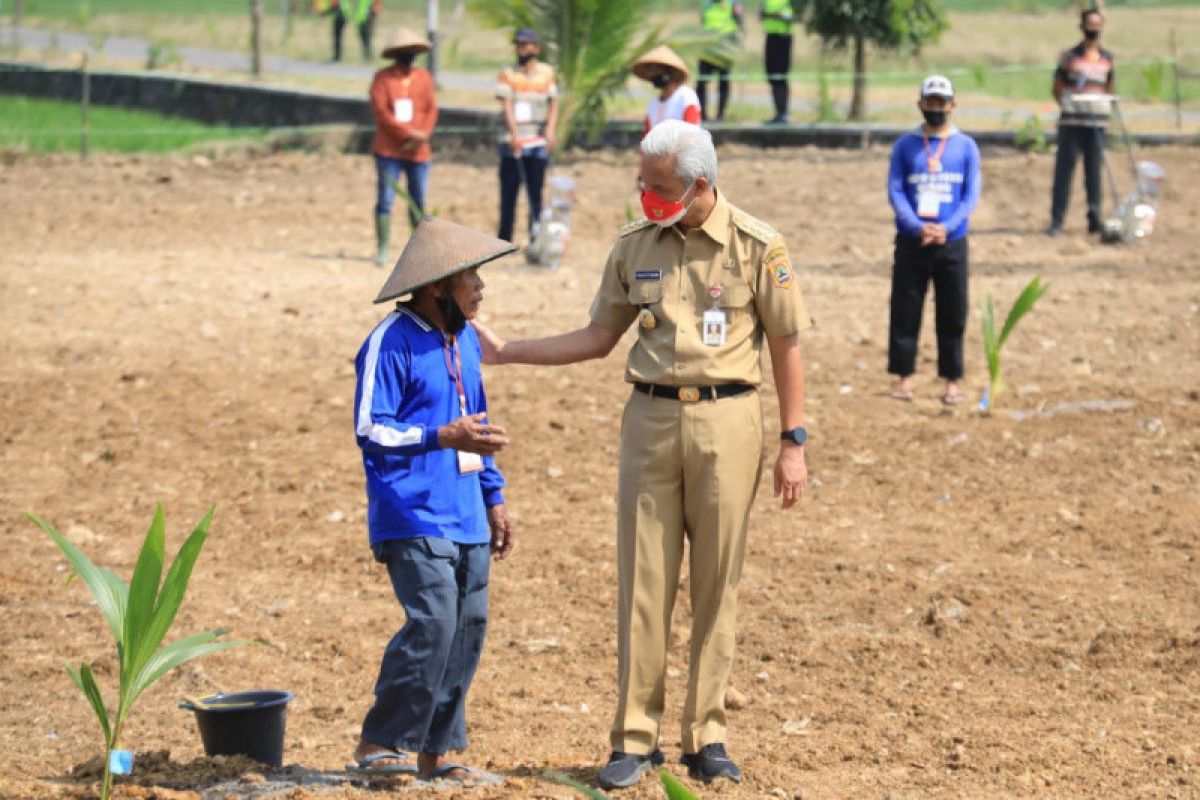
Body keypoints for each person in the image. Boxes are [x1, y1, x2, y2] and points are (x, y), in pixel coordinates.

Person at [473, 119, 811, 790]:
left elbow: (786, 345)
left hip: (730, 420)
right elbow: (598, 336)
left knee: (719, 582)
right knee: (643, 582)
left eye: (657, 187)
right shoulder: (633, 248)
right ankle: (634, 737)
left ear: (699, 185)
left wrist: (792, 442)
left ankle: (707, 734)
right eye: (641, 183)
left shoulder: (757, 247)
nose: (644, 196)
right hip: (649, 421)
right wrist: (509, 351)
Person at [349, 217, 517, 784]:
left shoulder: (463, 340)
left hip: (466, 510)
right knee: (433, 622)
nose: (481, 286)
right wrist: (440, 436)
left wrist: (493, 497)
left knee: (467, 627)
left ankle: (438, 751)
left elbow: (479, 424)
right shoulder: (387, 342)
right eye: (472, 275)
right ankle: (381, 741)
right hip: (411, 511)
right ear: (438, 285)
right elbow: (372, 429)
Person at [886, 75, 981, 406]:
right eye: (931, 102)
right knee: (905, 308)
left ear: (953, 105)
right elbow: (896, 190)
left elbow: (970, 195)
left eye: (942, 102)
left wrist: (947, 226)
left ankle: (952, 381)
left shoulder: (966, 147)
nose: (936, 108)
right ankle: (904, 378)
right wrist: (916, 226)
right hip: (913, 241)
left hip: (952, 241)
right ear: (920, 104)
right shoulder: (904, 146)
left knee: (953, 312)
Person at [369, 28, 438, 267]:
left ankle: (417, 250)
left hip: (419, 151)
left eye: (412, 52)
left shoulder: (424, 78)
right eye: (404, 52)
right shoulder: (383, 79)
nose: (408, 56)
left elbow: (431, 109)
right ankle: (383, 248)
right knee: (386, 199)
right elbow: (382, 113)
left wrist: (423, 135)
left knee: (417, 199)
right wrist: (408, 133)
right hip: (389, 149)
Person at [1048, 8, 1115, 236]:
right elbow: (1056, 88)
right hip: (1071, 124)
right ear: (1082, 26)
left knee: (1094, 174)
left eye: (1097, 25)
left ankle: (1094, 219)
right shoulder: (1069, 57)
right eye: (1090, 24)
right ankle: (1057, 221)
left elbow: (1109, 88)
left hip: (1096, 125)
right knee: (1063, 174)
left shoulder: (1108, 59)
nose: (1093, 29)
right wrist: (1070, 106)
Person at [495, 27, 559, 244]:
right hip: (513, 142)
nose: (521, 49)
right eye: (518, 45)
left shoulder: (547, 73)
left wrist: (550, 131)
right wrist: (514, 135)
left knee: (535, 193)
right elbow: (506, 106)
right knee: (509, 194)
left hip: (537, 142)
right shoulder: (507, 73)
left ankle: (535, 239)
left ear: (536, 48)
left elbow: (553, 104)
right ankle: (504, 241)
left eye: (525, 44)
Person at [631, 45, 702, 138]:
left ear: (670, 72)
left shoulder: (685, 97)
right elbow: (646, 136)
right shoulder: (654, 104)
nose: (653, 76)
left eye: (656, 71)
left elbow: (692, 133)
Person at [697, 0, 743, 122]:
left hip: (725, 49)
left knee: (723, 82)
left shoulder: (733, 4)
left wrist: (735, 46)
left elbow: (740, 25)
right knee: (702, 82)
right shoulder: (706, 4)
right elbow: (703, 22)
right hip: (708, 49)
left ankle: (720, 116)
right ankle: (703, 115)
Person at [761, 0, 794, 124]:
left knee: (780, 76)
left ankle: (783, 114)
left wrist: (772, 15)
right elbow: (763, 13)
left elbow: (791, 16)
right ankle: (778, 113)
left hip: (783, 38)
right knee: (772, 76)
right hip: (771, 36)